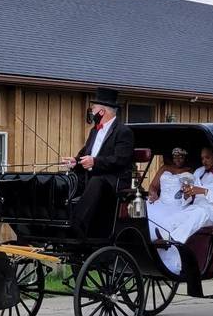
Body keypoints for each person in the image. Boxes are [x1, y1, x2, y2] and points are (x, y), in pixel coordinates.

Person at [61, 88, 134, 238]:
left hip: (114, 181)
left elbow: (120, 159)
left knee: (96, 181)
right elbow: (85, 154)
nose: (91, 112)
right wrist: (75, 161)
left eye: (93, 108)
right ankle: (56, 220)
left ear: (102, 112)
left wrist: (94, 161)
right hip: (92, 178)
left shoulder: (123, 132)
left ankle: (77, 224)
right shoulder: (94, 131)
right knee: (64, 180)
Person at [155, 147, 213, 274]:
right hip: (196, 207)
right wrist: (187, 195)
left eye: (207, 158)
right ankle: (163, 245)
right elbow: (189, 195)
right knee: (177, 216)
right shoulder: (199, 172)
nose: (204, 161)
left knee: (200, 213)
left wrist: (203, 191)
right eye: (202, 158)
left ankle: (173, 240)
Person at [147, 147, 193, 240]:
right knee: (144, 210)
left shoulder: (190, 170)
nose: (178, 159)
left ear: (185, 158)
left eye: (181, 157)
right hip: (160, 201)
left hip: (178, 205)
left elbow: (189, 189)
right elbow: (153, 186)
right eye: (175, 157)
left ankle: (162, 240)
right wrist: (153, 194)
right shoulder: (164, 168)